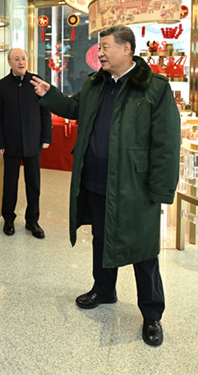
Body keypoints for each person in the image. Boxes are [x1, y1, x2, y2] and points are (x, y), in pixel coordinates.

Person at [31, 25, 181, 348]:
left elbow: (167, 143)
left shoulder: (154, 88)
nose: (99, 53)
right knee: (100, 238)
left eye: (105, 47)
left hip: (135, 186)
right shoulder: (95, 84)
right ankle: (104, 289)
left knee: (144, 250)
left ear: (126, 49)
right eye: (99, 47)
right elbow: (75, 108)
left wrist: (161, 190)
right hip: (96, 180)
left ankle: (151, 314)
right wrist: (49, 95)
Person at [0, 48, 51, 239]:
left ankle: (32, 221)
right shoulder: (2, 85)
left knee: (33, 183)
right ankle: (8, 219)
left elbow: (45, 110)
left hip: (33, 141)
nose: (21, 62)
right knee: (10, 183)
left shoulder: (36, 81)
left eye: (23, 58)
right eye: (16, 59)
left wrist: (46, 137)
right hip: (10, 143)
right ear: (9, 62)